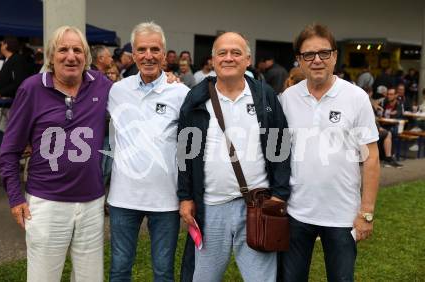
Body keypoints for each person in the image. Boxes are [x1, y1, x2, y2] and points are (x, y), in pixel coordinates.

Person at [0, 26, 112, 282]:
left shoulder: (101, 85)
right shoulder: (32, 89)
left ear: (86, 57)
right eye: (63, 50)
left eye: (77, 50)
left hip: (92, 203)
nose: (71, 56)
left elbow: (135, 94)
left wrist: (167, 79)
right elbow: (9, 151)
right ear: (51, 57)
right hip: (47, 203)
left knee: (90, 278)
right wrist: (16, 199)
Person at [177, 31, 290, 282]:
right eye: (223, 53)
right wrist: (185, 197)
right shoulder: (196, 98)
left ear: (248, 59)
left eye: (236, 53)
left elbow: (280, 146)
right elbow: (185, 153)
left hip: (258, 206)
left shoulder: (264, 95)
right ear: (213, 59)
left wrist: (279, 194)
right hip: (211, 207)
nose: (229, 58)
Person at [279, 23, 380, 281]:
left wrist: (366, 212)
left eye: (324, 53)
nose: (316, 60)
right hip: (296, 213)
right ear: (299, 60)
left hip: (343, 216)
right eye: (308, 55)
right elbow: (276, 152)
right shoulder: (287, 98)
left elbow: (371, 160)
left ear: (335, 56)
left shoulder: (356, 98)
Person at [107, 22, 189, 282]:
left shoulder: (181, 93)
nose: (148, 56)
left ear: (164, 54)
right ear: (132, 53)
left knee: (163, 272)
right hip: (123, 198)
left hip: (165, 199)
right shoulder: (117, 90)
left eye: (155, 49)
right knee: (119, 269)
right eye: (141, 49)